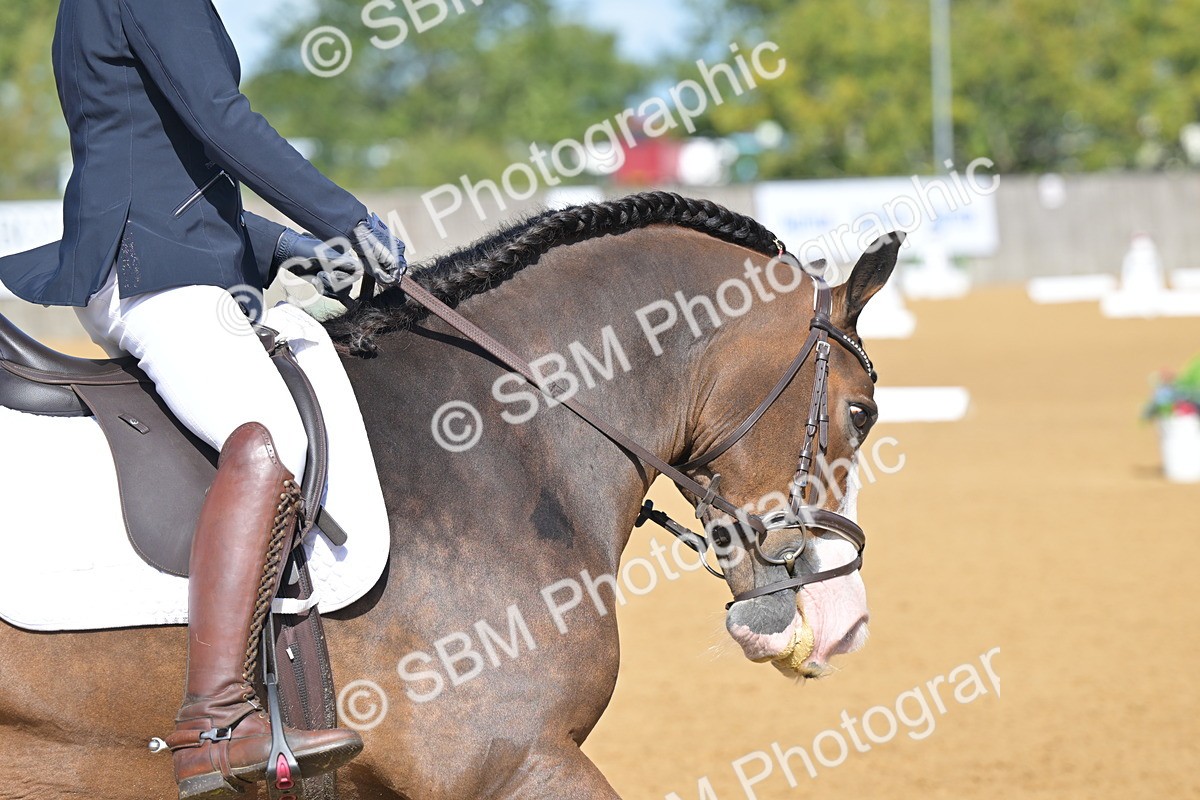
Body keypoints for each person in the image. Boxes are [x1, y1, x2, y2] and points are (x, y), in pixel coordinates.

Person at [0, 1, 404, 796]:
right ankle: (215, 722)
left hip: (166, 251)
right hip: (156, 270)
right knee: (269, 440)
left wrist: (286, 243)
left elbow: (168, 155)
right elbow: (221, 121)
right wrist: (348, 221)